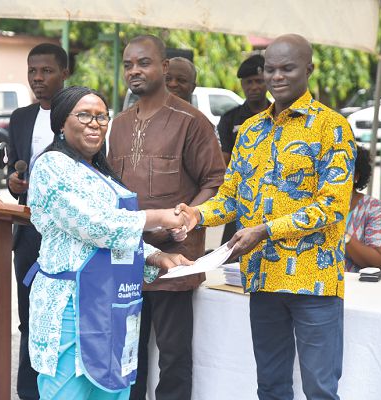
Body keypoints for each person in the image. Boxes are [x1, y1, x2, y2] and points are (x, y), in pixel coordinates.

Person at [176, 34, 355, 400]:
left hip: (314, 282)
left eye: (287, 68)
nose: (276, 77)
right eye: (269, 69)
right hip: (261, 279)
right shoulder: (251, 130)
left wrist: (265, 230)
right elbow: (230, 198)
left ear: (309, 69)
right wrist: (196, 214)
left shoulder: (332, 127)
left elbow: (332, 205)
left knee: (320, 388)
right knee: (271, 387)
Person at [25, 85, 193, 399]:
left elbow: (114, 236)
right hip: (71, 307)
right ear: (61, 122)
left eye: (102, 117)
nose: (95, 123)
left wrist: (155, 257)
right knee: (68, 393)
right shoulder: (51, 167)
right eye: (84, 115)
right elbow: (95, 225)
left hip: (112, 304)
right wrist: (158, 217)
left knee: (112, 391)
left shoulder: (101, 172)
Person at [108, 35, 226, 400]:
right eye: (128, 65)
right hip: (129, 258)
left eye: (143, 63)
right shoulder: (121, 124)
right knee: (127, 352)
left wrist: (190, 215)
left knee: (174, 356)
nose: (134, 71)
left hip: (175, 262)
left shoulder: (191, 121)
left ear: (164, 67)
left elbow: (216, 181)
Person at [7, 42, 69, 400]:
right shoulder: (20, 118)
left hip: (66, 233)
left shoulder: (81, 114)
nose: (37, 78)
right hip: (29, 233)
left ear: (64, 73)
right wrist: (13, 182)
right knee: (29, 316)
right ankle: (28, 391)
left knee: (62, 315)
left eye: (46, 71)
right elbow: (13, 167)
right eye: (32, 71)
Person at [217, 54, 270, 245]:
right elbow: (225, 160)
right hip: (241, 197)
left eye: (259, 81)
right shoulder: (230, 119)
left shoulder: (280, 115)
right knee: (232, 252)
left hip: (272, 198)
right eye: (249, 82)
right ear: (242, 85)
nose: (254, 87)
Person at [344, 146, 381, 271]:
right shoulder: (310, 204)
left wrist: (341, 234)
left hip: (354, 287)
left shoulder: (371, 208)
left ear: (356, 176)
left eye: (341, 171)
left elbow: (380, 260)